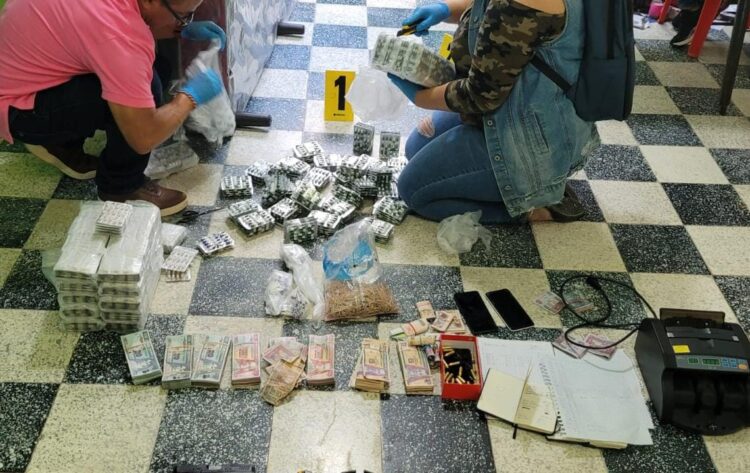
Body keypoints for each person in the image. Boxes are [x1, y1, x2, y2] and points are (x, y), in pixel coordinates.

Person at [0, 0, 227, 215]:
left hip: (25, 72)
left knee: (157, 67)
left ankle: (61, 144)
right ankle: (122, 187)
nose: (185, 22)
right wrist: (189, 97)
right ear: (150, 1)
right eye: (183, 16)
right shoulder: (118, 33)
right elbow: (144, 136)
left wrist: (179, 27)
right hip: (18, 108)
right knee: (149, 86)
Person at [389, 0, 598, 224]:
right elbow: (491, 12)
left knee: (413, 191)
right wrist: (445, 10)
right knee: (416, 146)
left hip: (530, 141)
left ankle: (531, 206)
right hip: (518, 107)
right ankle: (527, 185)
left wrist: (420, 97)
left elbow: (479, 95)